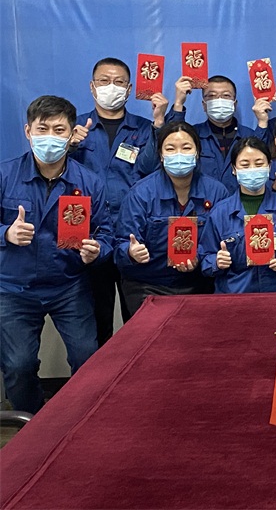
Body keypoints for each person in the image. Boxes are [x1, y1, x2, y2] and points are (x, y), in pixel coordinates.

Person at [0, 96, 112, 413]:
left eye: (59, 129)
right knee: (18, 365)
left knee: (87, 357)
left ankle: (78, 419)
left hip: (68, 285)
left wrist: (96, 251)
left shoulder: (89, 182)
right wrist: (5, 233)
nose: (50, 136)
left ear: (71, 133)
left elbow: (105, 233)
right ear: (28, 131)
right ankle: (34, 424)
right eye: (42, 128)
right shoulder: (5, 176)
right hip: (14, 288)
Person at [68, 57, 166, 344]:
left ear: (129, 88)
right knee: (95, 324)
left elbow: (153, 172)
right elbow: (54, 174)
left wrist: (159, 124)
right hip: (89, 235)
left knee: (139, 322)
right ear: (92, 86)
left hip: (133, 234)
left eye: (119, 82)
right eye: (104, 81)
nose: (111, 87)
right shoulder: (74, 128)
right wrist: (68, 147)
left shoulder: (145, 128)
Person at [114, 122, 230, 313]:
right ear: (161, 155)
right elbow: (121, 244)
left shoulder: (216, 192)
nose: (179, 154)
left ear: (197, 153)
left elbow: (223, 242)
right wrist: (131, 252)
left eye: (186, 148)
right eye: (170, 149)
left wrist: (200, 257)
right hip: (148, 284)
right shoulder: (141, 193)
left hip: (199, 282)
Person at [199, 137, 276, 293]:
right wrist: (216, 262)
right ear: (234, 169)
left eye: (259, 164)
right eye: (245, 165)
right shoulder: (220, 212)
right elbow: (205, 257)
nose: (252, 169)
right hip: (235, 295)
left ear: (269, 166)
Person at [156, 74, 269, 193]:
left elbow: (262, 161)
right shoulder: (192, 136)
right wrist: (179, 103)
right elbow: (172, 137)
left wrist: (262, 122)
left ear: (234, 104)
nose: (219, 100)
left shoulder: (249, 136)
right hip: (202, 200)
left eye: (226, 96)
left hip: (238, 202)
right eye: (211, 96)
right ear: (204, 105)